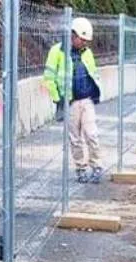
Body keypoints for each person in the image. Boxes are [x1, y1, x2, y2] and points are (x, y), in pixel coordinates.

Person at [43, 17, 103, 184]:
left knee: (92, 134)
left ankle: (97, 166)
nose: (84, 43)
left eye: (86, 41)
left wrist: (96, 92)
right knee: (75, 139)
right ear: (73, 35)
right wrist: (58, 99)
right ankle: (81, 169)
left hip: (87, 100)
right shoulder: (57, 52)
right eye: (82, 39)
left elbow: (93, 73)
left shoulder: (87, 53)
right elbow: (48, 78)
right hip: (70, 102)